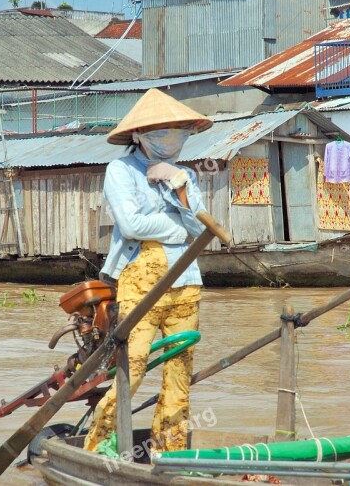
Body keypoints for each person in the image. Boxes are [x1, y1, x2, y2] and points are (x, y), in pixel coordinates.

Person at [82, 88, 213, 454]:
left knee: (179, 374)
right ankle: (97, 447)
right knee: (133, 368)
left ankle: (168, 453)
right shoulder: (121, 170)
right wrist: (177, 227)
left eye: (177, 133)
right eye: (160, 133)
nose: (170, 141)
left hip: (186, 281)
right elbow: (133, 225)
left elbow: (202, 228)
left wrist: (177, 181)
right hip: (140, 282)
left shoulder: (185, 174)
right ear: (139, 135)